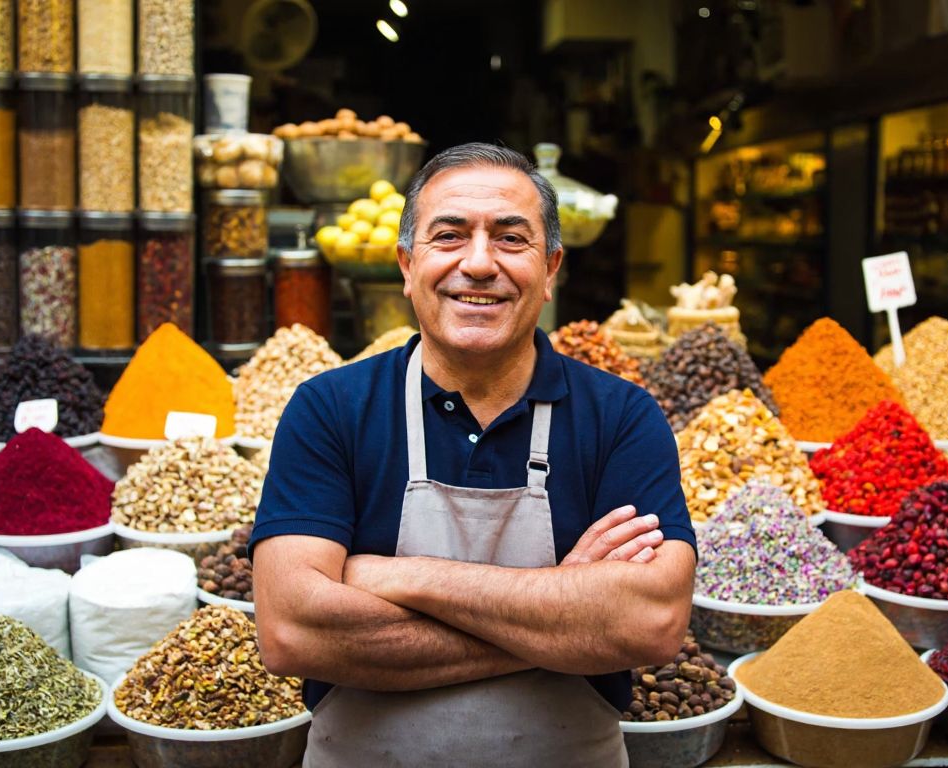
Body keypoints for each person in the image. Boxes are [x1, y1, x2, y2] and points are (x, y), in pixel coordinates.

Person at [251, 143, 695, 766]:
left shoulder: (621, 416)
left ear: (550, 270)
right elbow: (293, 631)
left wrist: (395, 575)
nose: (480, 264)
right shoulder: (331, 409)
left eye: (511, 239)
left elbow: (649, 624)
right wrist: (564, 609)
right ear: (408, 266)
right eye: (450, 236)